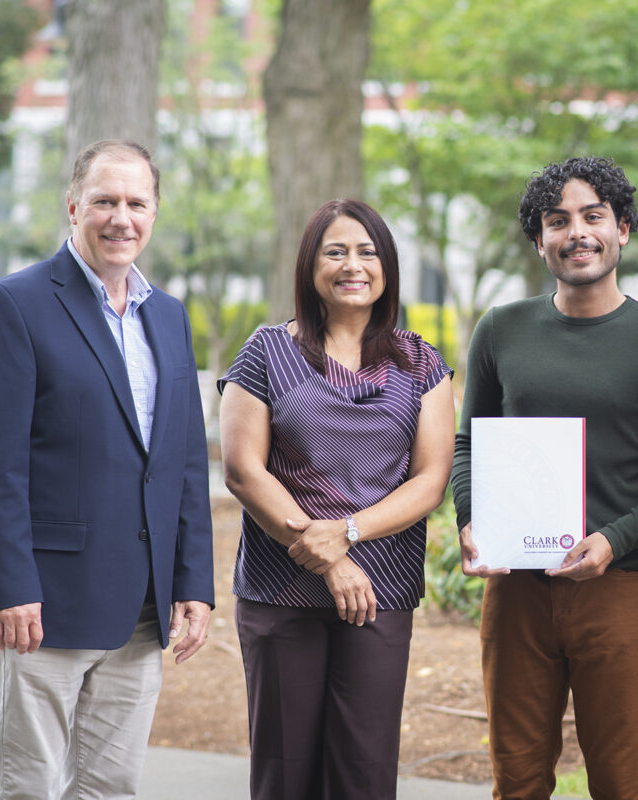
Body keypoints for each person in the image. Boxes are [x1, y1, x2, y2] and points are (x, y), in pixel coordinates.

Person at [0, 139, 216, 799]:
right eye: (104, 201)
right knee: (28, 786)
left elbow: (183, 460)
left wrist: (193, 581)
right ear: (73, 207)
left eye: (136, 203)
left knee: (110, 788)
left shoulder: (168, 316)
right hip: (42, 605)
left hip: (141, 608)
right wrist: (9, 585)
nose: (121, 218)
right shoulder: (12, 305)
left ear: (154, 213)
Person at [450, 156, 638, 800]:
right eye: (558, 221)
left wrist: (617, 538)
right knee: (517, 780)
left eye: (594, 216)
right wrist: (471, 520)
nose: (577, 233)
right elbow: (468, 443)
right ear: (539, 241)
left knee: (622, 783)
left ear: (623, 228)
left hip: (618, 588)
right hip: (517, 591)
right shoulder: (500, 329)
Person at [218, 198, 454, 800]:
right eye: (336, 252)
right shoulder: (267, 351)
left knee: (364, 774)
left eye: (368, 252)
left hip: (381, 592)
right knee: (285, 773)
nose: (353, 265)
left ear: (387, 267)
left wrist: (347, 532)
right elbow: (243, 471)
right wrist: (327, 557)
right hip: (282, 587)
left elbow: (430, 480)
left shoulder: (421, 363)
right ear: (310, 266)